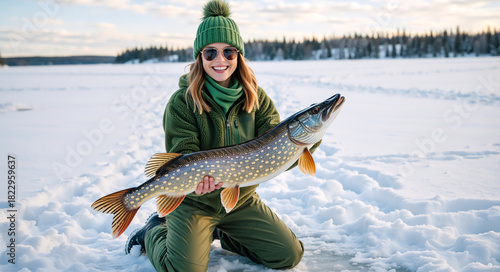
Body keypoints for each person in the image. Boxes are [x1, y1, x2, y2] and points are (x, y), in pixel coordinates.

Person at [125, 0, 319, 270]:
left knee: (288, 255)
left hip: (240, 200)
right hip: (194, 202)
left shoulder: (257, 98)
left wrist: (310, 138)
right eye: (210, 53)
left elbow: (276, 152)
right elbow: (183, 154)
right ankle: (154, 232)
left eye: (228, 52)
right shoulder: (182, 102)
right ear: (199, 57)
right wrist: (196, 183)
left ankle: (223, 233)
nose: (220, 60)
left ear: (238, 55)